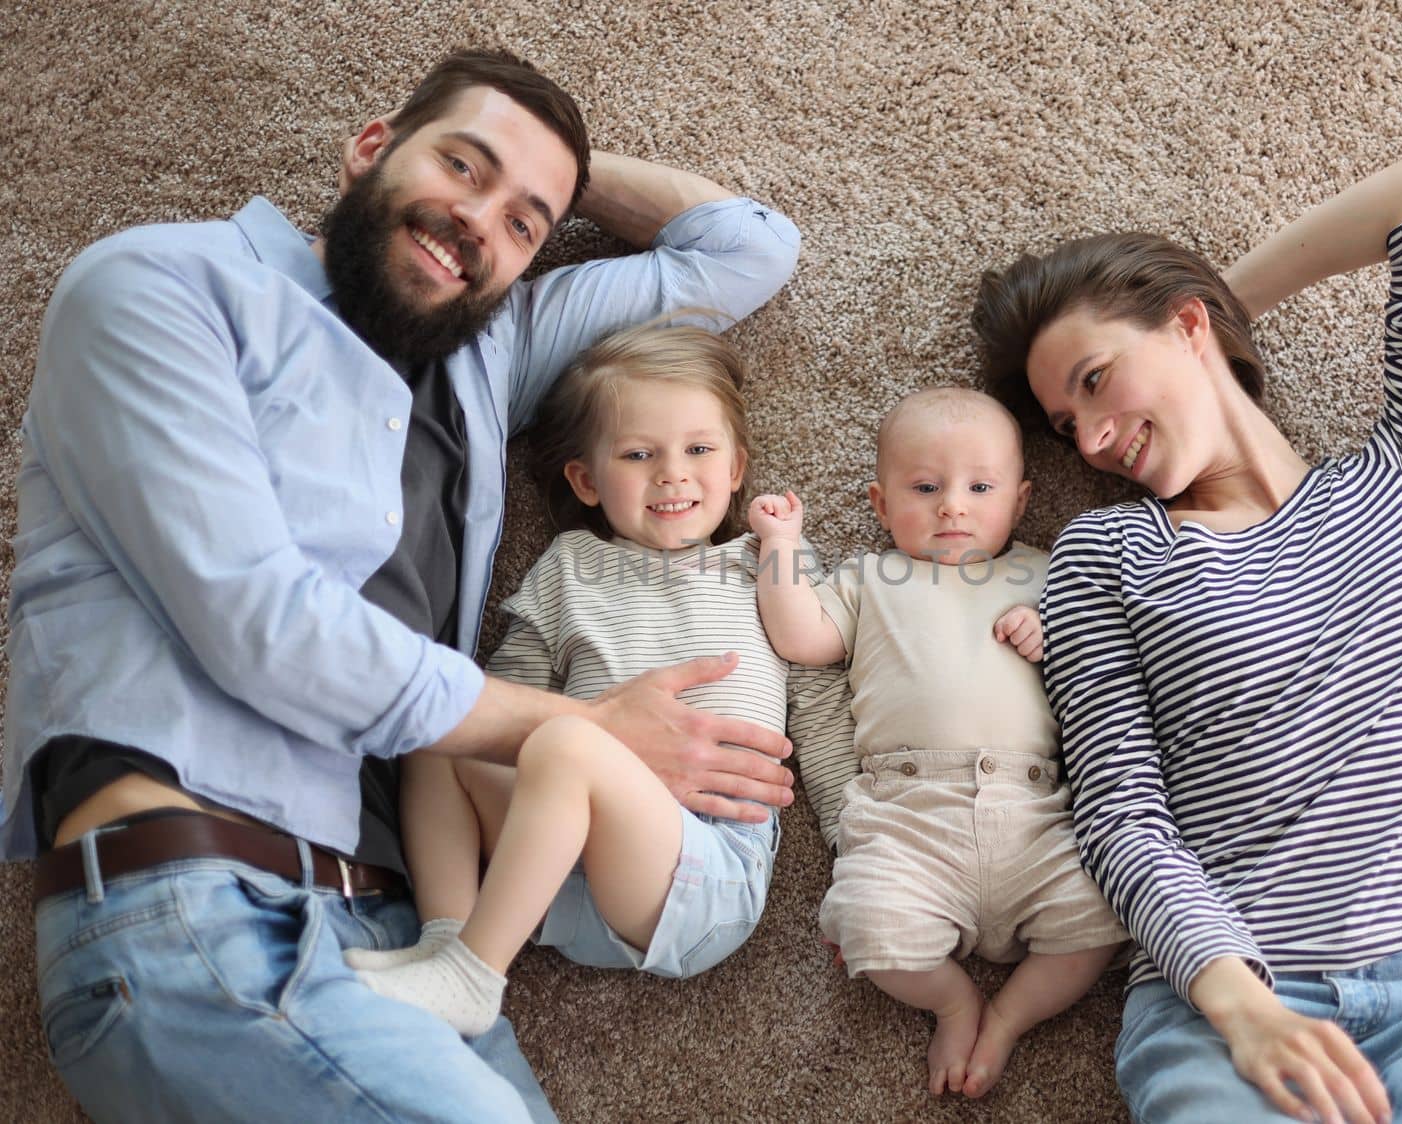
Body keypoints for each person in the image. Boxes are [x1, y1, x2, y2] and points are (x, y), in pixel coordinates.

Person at [4, 48, 805, 1123]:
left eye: (525, 221)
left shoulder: (492, 350)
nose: (483, 222)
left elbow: (746, 247)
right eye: (462, 166)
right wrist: (581, 727)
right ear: (370, 147)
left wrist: (552, 174)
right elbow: (263, 623)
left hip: (410, 931)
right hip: (202, 904)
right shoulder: (167, 282)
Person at [971, 152, 1402, 1124]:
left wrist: (1215, 301)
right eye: (1064, 421)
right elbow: (1120, 812)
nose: (1088, 440)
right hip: (1228, 995)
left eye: (1095, 380)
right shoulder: (1105, 553)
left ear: (1188, 327)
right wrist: (1239, 1005)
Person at [343, 322, 852, 1036]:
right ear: (585, 479)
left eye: (699, 450)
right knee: (446, 716)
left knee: (568, 747)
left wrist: (851, 841)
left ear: (736, 467)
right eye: (639, 454)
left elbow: (820, 684)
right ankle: (450, 942)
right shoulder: (568, 566)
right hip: (550, 861)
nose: (673, 473)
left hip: (702, 869)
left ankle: (474, 975)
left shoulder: (756, 568)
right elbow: (504, 706)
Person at [746, 387, 1128, 1099]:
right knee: (866, 925)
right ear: (882, 504)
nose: (953, 505)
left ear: (1019, 502)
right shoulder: (867, 577)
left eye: (979, 488)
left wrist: (1051, 636)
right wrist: (780, 547)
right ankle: (954, 1001)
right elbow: (799, 637)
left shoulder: (1048, 573)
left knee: (1106, 914)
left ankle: (1010, 1015)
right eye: (925, 488)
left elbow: (1104, 665)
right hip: (908, 812)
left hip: (1039, 811)